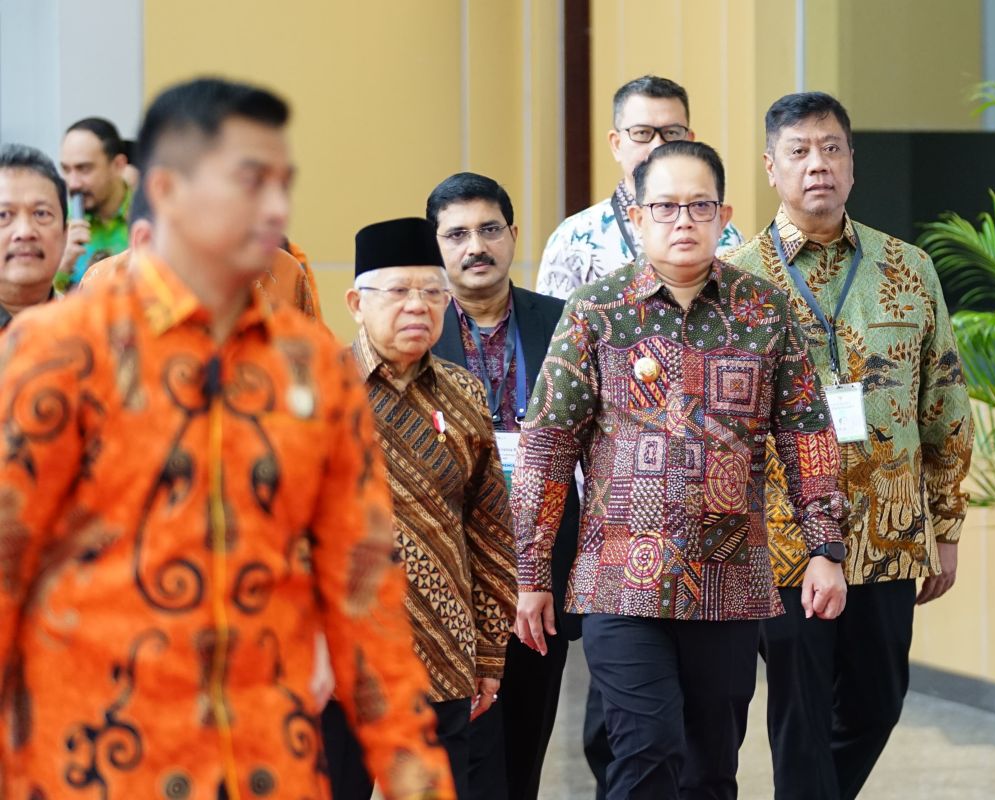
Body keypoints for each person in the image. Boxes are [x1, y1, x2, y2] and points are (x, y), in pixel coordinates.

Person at [0, 77, 452, 799]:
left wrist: (417, 778)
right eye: (249, 182)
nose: (274, 208)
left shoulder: (311, 370)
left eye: (281, 184)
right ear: (168, 190)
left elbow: (364, 594)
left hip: (266, 758)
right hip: (94, 761)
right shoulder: (60, 353)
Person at [512, 140, 846, 800]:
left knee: (710, 769)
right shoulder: (597, 312)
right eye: (665, 207)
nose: (683, 221)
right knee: (646, 748)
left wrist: (825, 548)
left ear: (725, 216)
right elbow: (548, 445)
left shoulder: (766, 311)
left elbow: (808, 435)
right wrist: (532, 571)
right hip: (619, 579)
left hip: (729, 576)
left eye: (699, 206)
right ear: (637, 218)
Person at [722, 91, 974, 800]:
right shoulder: (736, 280)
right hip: (781, 540)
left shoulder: (908, 268)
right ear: (771, 167)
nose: (818, 165)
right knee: (800, 718)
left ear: (853, 163)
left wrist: (946, 526)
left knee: (877, 702)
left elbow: (944, 401)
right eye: (799, 151)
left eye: (831, 148)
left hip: (888, 531)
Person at [325, 216, 517, 799]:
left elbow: (489, 529)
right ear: (357, 303)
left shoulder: (464, 392)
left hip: (442, 650)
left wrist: (489, 650)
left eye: (433, 292)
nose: (418, 306)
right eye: (399, 291)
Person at [426, 172, 581, 800]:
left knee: (525, 745)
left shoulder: (564, 322)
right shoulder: (418, 328)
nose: (476, 247)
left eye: (489, 229)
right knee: (460, 753)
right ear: (437, 245)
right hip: (449, 567)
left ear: (513, 234)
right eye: (457, 234)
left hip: (545, 561)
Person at [535, 75, 742, 301]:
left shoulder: (726, 236)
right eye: (642, 133)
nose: (657, 146)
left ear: (690, 140)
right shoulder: (574, 239)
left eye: (672, 133)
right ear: (616, 144)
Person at [57, 116, 132, 287]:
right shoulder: (58, 223)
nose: (73, 183)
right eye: (66, 170)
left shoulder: (151, 215)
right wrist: (61, 267)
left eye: (84, 169)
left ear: (118, 165)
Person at [0, 144, 68, 329]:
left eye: (41, 214)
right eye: (3, 215)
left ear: (65, 233)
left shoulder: (92, 329)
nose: (25, 232)